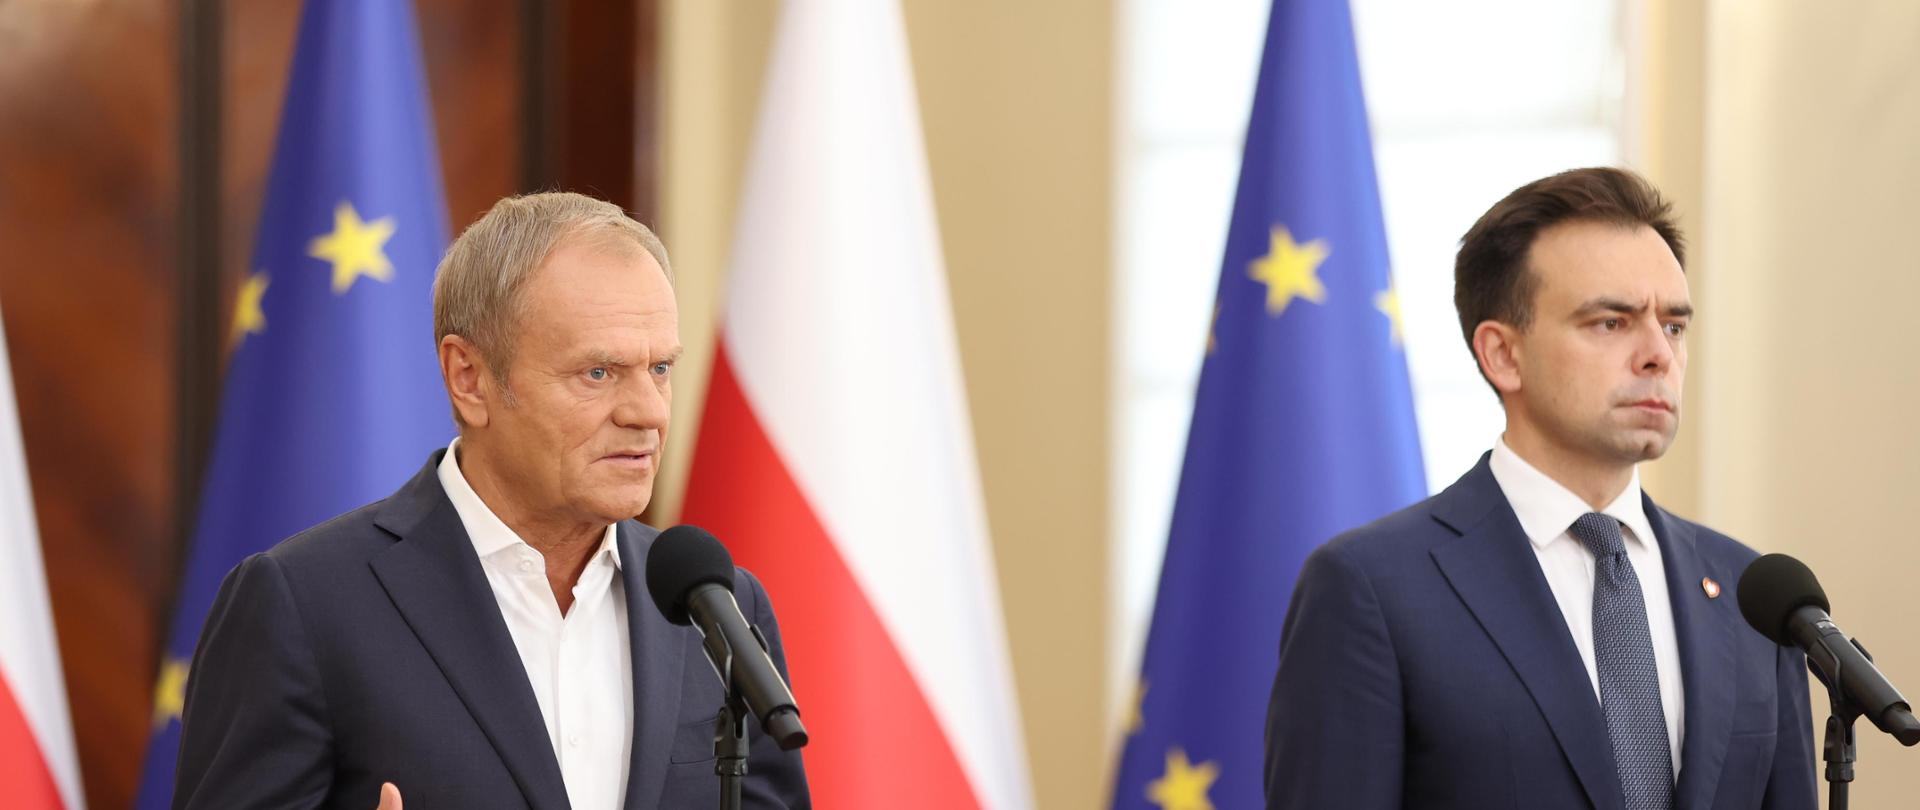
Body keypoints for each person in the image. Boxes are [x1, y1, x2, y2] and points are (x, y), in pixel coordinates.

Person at [173, 192, 810, 809]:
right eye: (598, 373)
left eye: (660, 369)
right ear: (469, 379)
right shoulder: (303, 604)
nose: (647, 412)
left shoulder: (719, 607)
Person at [1263, 168, 1815, 809]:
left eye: (1673, 325)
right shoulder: (1373, 590)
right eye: (1611, 322)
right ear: (1502, 354)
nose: (1658, 355)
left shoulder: (1751, 596)